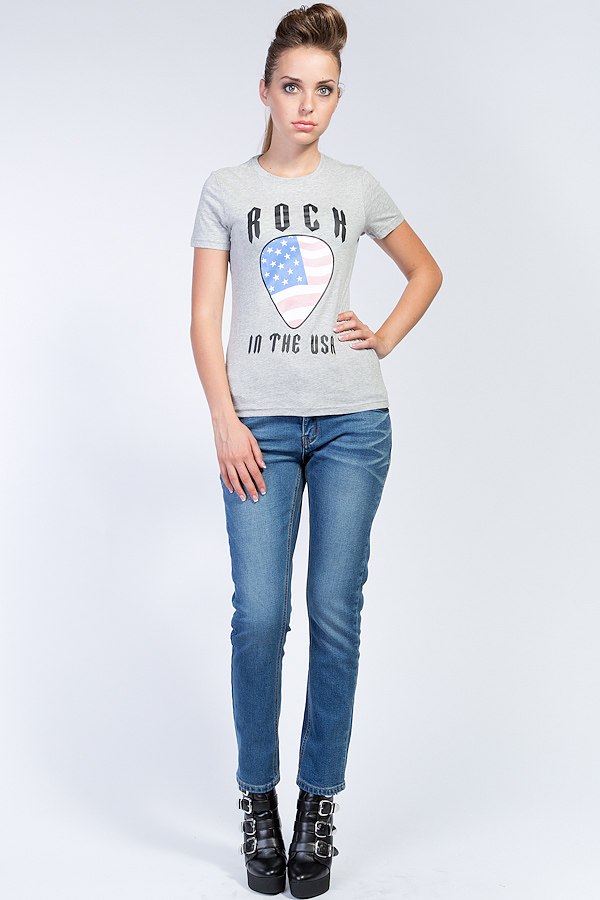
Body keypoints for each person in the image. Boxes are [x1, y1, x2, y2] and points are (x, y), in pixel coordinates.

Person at [189, 4, 442, 895]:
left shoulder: (357, 187)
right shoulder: (226, 189)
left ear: (338, 96)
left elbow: (425, 271)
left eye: (325, 90)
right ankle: (258, 797)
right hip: (256, 429)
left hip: (351, 426)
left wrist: (384, 338)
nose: (308, 106)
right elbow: (203, 318)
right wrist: (224, 420)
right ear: (265, 91)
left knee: (334, 613)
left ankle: (318, 805)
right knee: (260, 616)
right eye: (293, 87)